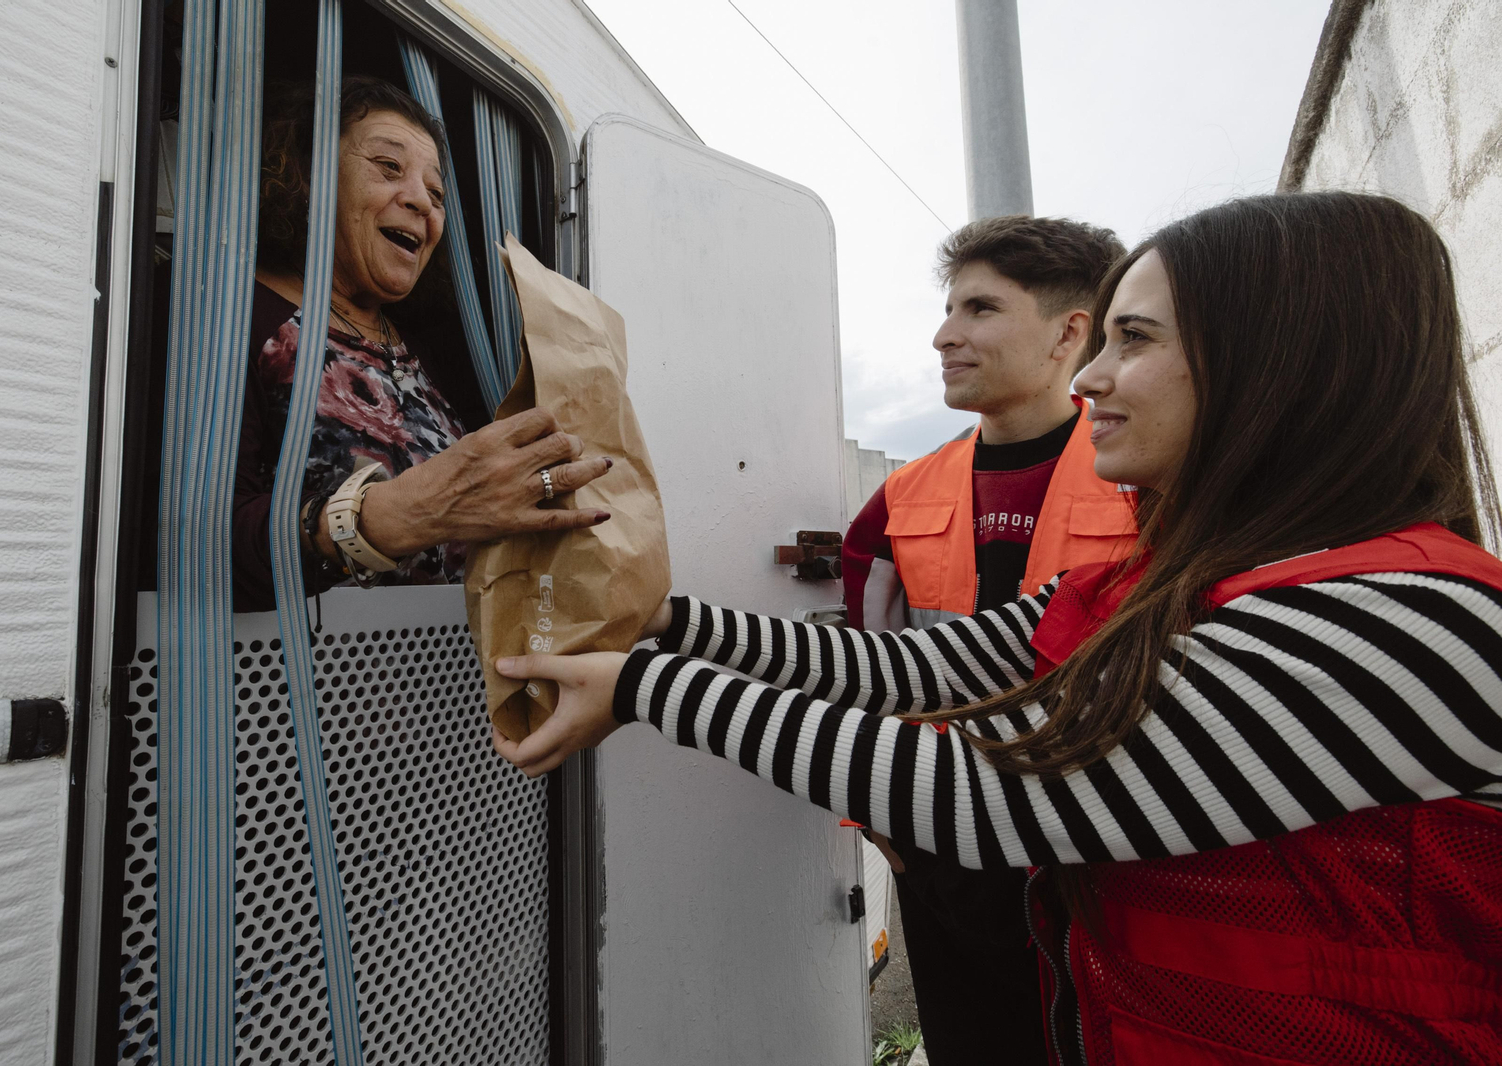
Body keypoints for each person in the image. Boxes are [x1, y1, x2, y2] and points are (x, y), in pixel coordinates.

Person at [491, 192, 1502, 1064]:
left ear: (1282, 366)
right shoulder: (1176, 583)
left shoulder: (1408, 617)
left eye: (1133, 340)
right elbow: (912, 666)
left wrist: (643, 687)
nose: (1091, 377)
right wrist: (664, 619)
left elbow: (1003, 803)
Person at [842, 216, 1128, 1065]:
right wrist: (877, 816)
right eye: (948, 308)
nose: (945, 334)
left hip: (1106, 852)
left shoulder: (1151, 479)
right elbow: (860, 669)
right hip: (941, 854)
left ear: (1069, 332)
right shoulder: (901, 496)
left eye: (980, 309)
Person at [232, 76, 610, 611]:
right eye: (388, 168)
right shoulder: (231, 315)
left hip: (451, 671)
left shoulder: (435, 349)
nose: (421, 204)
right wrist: (396, 516)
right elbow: (194, 545)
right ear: (308, 174)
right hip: (292, 670)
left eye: (436, 194)